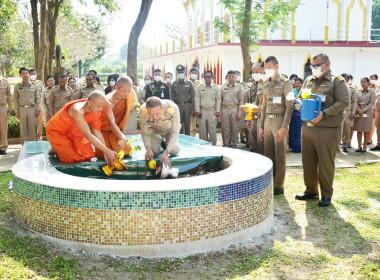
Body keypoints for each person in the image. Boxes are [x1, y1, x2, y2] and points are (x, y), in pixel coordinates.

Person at [295, 53, 349, 207]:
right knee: (308, 162)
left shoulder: (336, 81)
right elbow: (299, 97)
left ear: (327, 64)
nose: (314, 68)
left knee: (325, 163)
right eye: (313, 65)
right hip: (308, 127)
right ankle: (311, 190)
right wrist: (298, 103)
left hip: (327, 128)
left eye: (317, 65)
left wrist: (324, 113)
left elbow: (344, 101)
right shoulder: (309, 79)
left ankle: (326, 194)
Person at [46, 91, 118, 165]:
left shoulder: (95, 110)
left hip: (75, 130)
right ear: (90, 103)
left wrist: (105, 153)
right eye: (99, 106)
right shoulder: (77, 110)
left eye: (102, 106)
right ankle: (56, 145)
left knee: (87, 156)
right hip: (57, 131)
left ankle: (57, 147)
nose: (101, 109)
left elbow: (97, 131)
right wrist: (107, 151)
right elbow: (88, 135)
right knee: (74, 159)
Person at [259, 56, 293, 195]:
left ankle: (279, 185)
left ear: (277, 67)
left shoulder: (286, 83)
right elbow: (264, 106)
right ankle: (270, 182)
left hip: (280, 122)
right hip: (267, 121)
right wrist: (261, 126)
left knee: (280, 155)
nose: (267, 70)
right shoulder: (266, 84)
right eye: (265, 68)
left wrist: (284, 127)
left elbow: (290, 107)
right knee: (268, 154)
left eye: (270, 68)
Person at [94, 76, 134, 158]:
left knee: (126, 151)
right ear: (116, 88)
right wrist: (122, 138)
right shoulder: (108, 101)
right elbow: (110, 122)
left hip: (117, 130)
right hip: (105, 130)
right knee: (102, 154)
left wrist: (121, 137)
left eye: (128, 91)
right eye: (124, 91)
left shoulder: (130, 94)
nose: (127, 94)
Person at [139, 96, 180, 168]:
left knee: (174, 151)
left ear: (163, 108)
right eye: (150, 114)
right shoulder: (143, 110)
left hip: (169, 130)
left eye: (157, 113)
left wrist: (167, 152)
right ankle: (160, 143)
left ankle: (167, 144)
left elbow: (175, 132)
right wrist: (147, 148)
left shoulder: (172, 107)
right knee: (153, 151)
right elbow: (144, 132)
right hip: (155, 130)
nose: (154, 117)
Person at [13, 67, 41, 143]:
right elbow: (15, 99)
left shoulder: (34, 85)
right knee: (23, 129)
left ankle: (33, 147)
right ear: (20, 75)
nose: (25, 75)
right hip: (22, 109)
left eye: (26, 73)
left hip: (32, 109)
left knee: (32, 129)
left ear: (29, 74)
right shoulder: (17, 86)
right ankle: (24, 148)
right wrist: (16, 111)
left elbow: (38, 98)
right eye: (23, 73)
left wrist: (38, 109)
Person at [194, 70, 221, 145]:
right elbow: (197, 99)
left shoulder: (216, 88)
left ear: (212, 77)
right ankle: (202, 145)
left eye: (209, 77)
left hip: (212, 111)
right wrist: (197, 110)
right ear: (203, 77)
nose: (207, 78)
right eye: (206, 77)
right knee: (202, 129)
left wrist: (218, 110)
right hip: (202, 111)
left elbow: (218, 99)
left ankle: (213, 145)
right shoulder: (200, 88)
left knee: (212, 129)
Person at [220, 70, 244, 148]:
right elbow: (219, 100)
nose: (231, 78)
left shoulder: (239, 87)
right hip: (225, 109)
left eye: (233, 76)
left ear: (236, 77)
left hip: (235, 109)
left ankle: (233, 144)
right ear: (227, 77)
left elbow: (241, 101)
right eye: (229, 76)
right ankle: (226, 144)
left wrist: (240, 113)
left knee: (234, 128)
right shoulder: (223, 87)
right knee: (226, 128)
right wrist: (220, 112)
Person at [353, 77, 376, 153]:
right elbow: (355, 102)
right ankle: (359, 146)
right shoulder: (358, 92)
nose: (362, 84)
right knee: (359, 130)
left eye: (364, 82)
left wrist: (363, 110)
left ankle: (365, 146)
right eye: (361, 82)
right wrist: (358, 110)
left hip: (367, 112)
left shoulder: (372, 92)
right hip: (358, 112)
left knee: (366, 131)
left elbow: (371, 103)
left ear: (368, 83)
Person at [171, 65, 195, 135]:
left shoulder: (189, 83)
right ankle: (180, 139)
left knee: (187, 124)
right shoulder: (174, 84)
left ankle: (187, 139)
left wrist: (192, 108)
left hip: (187, 106)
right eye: (179, 72)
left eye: (181, 72)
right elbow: (172, 97)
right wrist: (173, 108)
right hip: (177, 106)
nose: (180, 73)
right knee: (179, 124)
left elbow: (193, 97)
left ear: (184, 72)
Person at [246, 63, 262, 153]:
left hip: (263, 115)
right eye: (253, 72)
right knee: (253, 136)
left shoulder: (266, 84)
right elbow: (251, 101)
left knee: (261, 139)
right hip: (253, 115)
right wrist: (249, 119)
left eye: (257, 72)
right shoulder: (253, 85)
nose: (255, 74)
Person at [341, 73, 358, 153]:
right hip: (338, 111)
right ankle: (337, 145)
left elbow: (355, 101)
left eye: (346, 79)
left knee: (347, 130)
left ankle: (345, 146)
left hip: (348, 111)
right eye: (343, 79)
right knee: (337, 129)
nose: (344, 80)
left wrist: (353, 113)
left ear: (348, 80)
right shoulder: (336, 88)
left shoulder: (352, 89)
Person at [288, 77, 304, 153]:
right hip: (293, 112)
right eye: (295, 83)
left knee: (298, 130)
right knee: (292, 129)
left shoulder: (304, 92)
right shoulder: (292, 91)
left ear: (302, 84)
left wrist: (296, 98)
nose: (296, 84)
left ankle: (299, 147)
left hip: (300, 113)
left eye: (298, 83)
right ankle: (293, 146)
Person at [29, 69, 44, 141]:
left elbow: (43, 94)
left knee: (39, 122)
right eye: (31, 74)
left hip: (39, 105)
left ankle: (39, 137)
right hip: (30, 105)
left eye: (34, 74)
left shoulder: (40, 83)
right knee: (31, 122)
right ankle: (32, 137)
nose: (33, 75)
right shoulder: (27, 83)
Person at [0, 70, 12, 155]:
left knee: (3, 127)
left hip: (2, 106)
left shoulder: (5, 82)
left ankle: (3, 147)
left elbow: (9, 95)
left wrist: (10, 107)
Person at [189, 67, 202, 137]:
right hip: (186, 105)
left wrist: (196, 109)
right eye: (192, 73)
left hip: (195, 106)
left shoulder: (199, 83)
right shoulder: (186, 82)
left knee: (193, 125)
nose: (194, 74)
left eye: (195, 73)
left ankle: (192, 138)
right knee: (184, 125)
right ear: (189, 73)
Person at [368, 74, 379, 145]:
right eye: (371, 78)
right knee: (365, 124)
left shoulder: (378, 87)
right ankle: (367, 138)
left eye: (374, 78)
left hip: (374, 108)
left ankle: (369, 139)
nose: (372, 79)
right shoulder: (366, 86)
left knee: (372, 125)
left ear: (377, 80)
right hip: (366, 108)